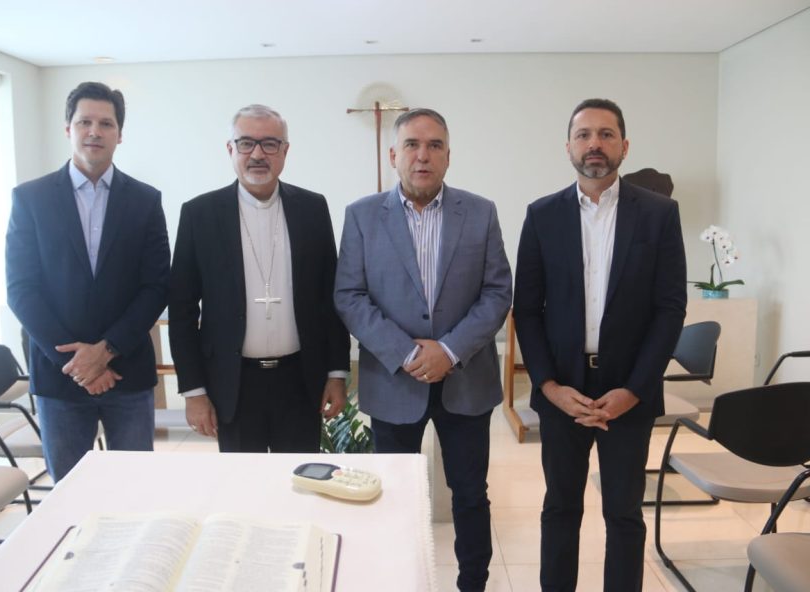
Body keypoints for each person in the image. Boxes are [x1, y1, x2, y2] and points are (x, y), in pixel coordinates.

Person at [513, 98, 687, 591]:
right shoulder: (542, 215)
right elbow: (527, 308)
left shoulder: (658, 215)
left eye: (606, 134)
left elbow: (670, 308)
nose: (595, 144)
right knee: (561, 508)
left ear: (624, 146)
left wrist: (634, 389)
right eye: (584, 134)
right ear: (568, 146)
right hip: (563, 388)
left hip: (627, 391)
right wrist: (547, 385)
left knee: (624, 513)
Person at [334, 108, 512, 592]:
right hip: (394, 382)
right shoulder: (362, 216)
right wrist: (408, 354)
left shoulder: (480, 212)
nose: (423, 154)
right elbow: (349, 295)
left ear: (448, 157)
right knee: (393, 496)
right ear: (394, 155)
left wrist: (450, 351)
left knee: (471, 495)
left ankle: (472, 583)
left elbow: (498, 292)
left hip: (466, 381)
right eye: (412, 144)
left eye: (434, 145)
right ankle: (398, 580)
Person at [6, 81, 170, 482]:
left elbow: (157, 286)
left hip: (127, 374)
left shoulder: (146, 200)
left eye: (106, 123)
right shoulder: (31, 199)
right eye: (85, 122)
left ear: (119, 134)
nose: (94, 131)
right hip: (60, 378)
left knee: (133, 492)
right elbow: (21, 289)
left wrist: (107, 350)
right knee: (69, 496)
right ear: (68, 129)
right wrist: (77, 364)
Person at [168, 104, 350, 452]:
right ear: (230, 149)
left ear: (285, 151)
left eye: (269, 144)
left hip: (300, 379)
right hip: (232, 383)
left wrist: (337, 373)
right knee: (242, 490)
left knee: (300, 482)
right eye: (246, 143)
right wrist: (194, 392)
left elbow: (331, 298)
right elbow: (183, 309)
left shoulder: (312, 209)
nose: (257, 154)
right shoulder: (199, 214)